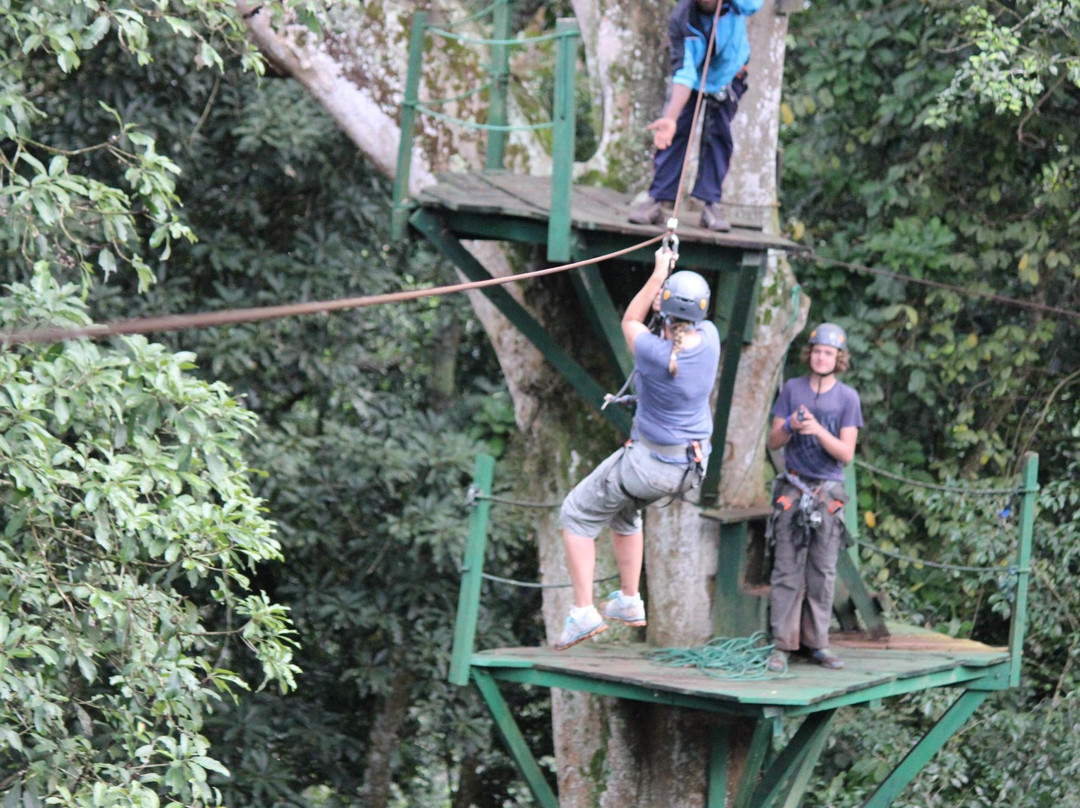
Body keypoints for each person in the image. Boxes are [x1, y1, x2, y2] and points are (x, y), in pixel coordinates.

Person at [555, 247, 720, 651]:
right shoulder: (711, 339)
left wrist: (659, 271)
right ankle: (629, 599)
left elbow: (630, 319)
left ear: (664, 312)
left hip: (651, 464)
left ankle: (582, 612)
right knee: (623, 510)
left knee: (575, 514)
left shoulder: (652, 351)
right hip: (690, 465)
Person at [765, 323, 862, 671]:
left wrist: (818, 429)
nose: (822, 358)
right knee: (786, 569)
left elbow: (846, 453)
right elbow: (773, 441)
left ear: (839, 359)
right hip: (793, 487)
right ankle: (781, 645)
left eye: (829, 353)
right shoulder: (792, 389)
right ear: (810, 354)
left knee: (822, 571)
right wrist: (790, 424)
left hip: (828, 491)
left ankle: (817, 643)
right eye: (818, 351)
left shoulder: (848, 398)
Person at [628, 0, 763, 232]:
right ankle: (658, 198)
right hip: (692, 81)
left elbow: (754, 5)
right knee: (676, 130)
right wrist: (670, 118)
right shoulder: (681, 19)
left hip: (729, 74)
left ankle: (711, 203)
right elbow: (684, 72)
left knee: (717, 135)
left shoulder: (737, 5)